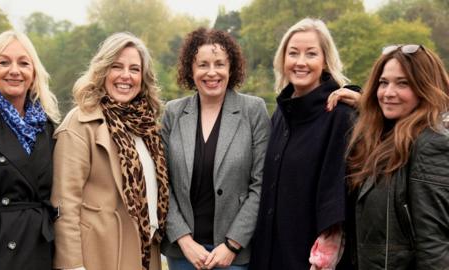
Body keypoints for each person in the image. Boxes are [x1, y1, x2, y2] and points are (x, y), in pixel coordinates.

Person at [51, 32, 169, 270]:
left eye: (134, 69)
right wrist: (73, 265)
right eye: (117, 66)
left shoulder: (147, 125)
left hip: (145, 253)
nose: (126, 76)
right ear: (103, 70)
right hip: (100, 256)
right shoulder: (81, 122)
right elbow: (65, 203)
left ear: (143, 77)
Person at [249, 18, 357, 270]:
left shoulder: (339, 115)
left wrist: (323, 260)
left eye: (311, 54)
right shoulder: (281, 114)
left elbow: (336, 200)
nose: (300, 62)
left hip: (309, 259)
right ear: (282, 59)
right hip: (269, 255)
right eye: (293, 53)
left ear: (325, 60)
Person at [161, 27, 271, 270]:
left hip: (234, 256)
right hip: (183, 254)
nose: (212, 72)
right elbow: (161, 183)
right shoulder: (173, 113)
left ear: (231, 68)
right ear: (191, 69)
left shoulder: (253, 111)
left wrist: (232, 244)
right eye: (203, 64)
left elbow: (261, 183)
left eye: (219, 64)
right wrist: (183, 240)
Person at [346, 44, 449, 269]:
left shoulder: (430, 144)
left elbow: (434, 243)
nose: (388, 93)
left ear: (425, 87)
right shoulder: (381, 139)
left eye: (403, 83)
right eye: (383, 83)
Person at [0, 30, 60, 270]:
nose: (14, 70)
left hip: (38, 251)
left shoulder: (49, 128)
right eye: (4, 62)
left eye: (23, 63)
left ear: (34, 73)